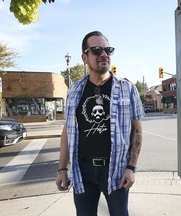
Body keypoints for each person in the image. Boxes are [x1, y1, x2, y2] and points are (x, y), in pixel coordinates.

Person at [55, 31, 145, 216]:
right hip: (83, 171)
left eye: (108, 50)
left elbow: (137, 129)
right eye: (96, 50)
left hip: (116, 170)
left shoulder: (127, 89)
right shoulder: (75, 91)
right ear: (84, 57)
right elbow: (68, 132)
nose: (104, 54)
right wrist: (62, 169)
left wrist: (131, 168)